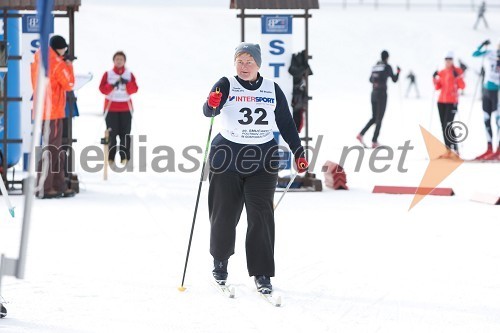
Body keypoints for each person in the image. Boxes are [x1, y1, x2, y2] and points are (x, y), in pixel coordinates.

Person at [203, 43, 308, 295]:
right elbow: (209, 111)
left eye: (250, 61)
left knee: (261, 216)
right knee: (224, 214)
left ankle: (262, 273)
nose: (244, 66)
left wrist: (298, 152)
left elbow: (285, 122)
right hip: (227, 156)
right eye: (240, 61)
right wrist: (211, 102)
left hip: (262, 158)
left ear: (259, 64)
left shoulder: (272, 89)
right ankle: (220, 260)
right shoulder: (226, 83)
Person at [31, 35, 75, 199]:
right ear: (59, 48)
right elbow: (69, 83)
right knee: (52, 149)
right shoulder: (57, 63)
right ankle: (46, 186)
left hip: (42, 109)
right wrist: (68, 65)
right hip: (53, 110)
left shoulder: (40, 57)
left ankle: (57, 184)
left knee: (53, 148)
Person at [99, 51, 138, 167]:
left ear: (124, 61)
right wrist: (112, 85)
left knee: (125, 134)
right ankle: (110, 158)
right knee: (112, 134)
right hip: (111, 108)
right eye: (117, 59)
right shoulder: (108, 74)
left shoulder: (129, 74)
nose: (119, 61)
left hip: (125, 108)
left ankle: (124, 157)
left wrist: (127, 84)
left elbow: (134, 89)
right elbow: (102, 89)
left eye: (121, 59)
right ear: (114, 61)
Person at [357, 50, 400, 148]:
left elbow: (370, 79)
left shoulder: (375, 66)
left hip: (373, 93)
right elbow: (394, 80)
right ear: (387, 57)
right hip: (382, 94)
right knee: (379, 118)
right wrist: (398, 72)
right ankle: (374, 141)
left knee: (374, 117)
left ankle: (361, 134)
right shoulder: (387, 67)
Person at [432, 51, 465, 159]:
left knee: (448, 125)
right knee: (443, 126)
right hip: (441, 101)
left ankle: (455, 149)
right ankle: (448, 150)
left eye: (450, 59)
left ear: (453, 60)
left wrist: (457, 77)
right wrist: (434, 78)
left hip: (452, 101)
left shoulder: (457, 71)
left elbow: (462, 86)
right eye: (446, 59)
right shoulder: (442, 72)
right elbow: (437, 87)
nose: (448, 61)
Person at [472, 39, 500, 160]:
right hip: (486, 91)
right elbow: (475, 54)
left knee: (498, 121)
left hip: (497, 92)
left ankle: (498, 150)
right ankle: (489, 148)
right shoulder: (491, 53)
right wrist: (482, 44)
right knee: (486, 119)